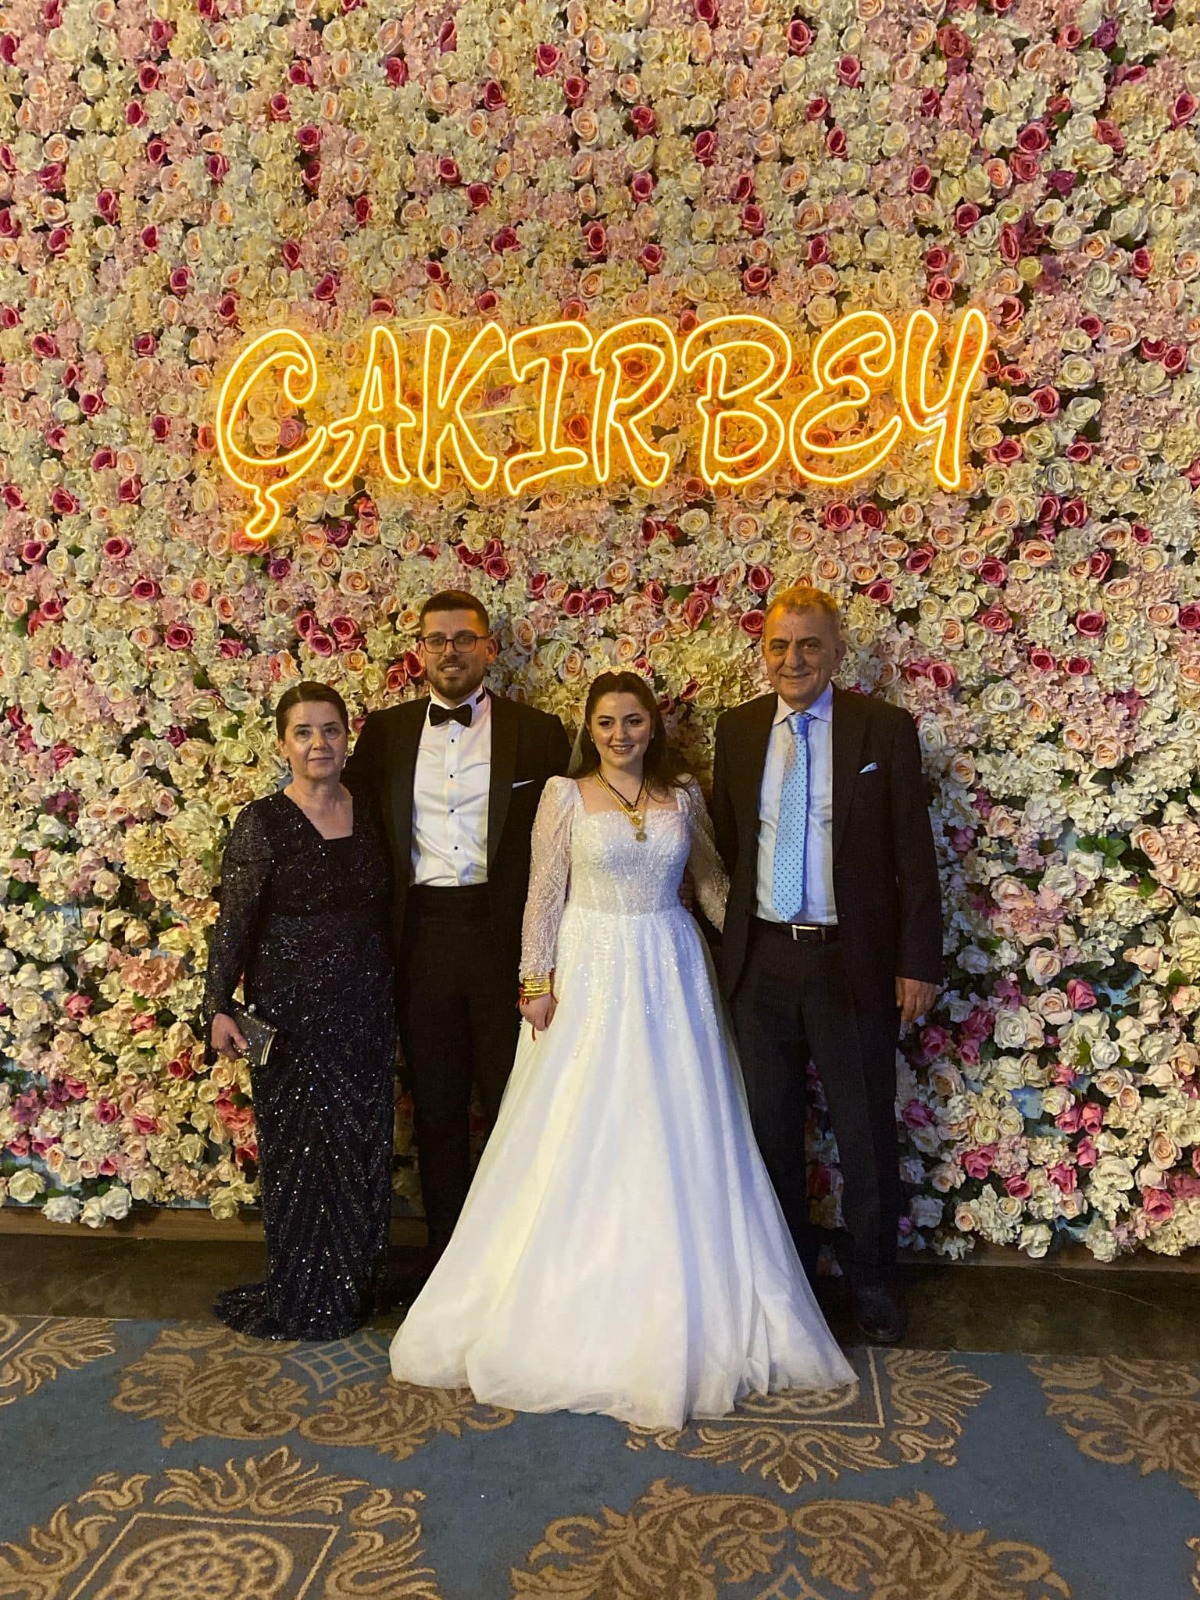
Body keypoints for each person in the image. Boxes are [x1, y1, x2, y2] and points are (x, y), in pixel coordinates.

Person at [389, 671, 855, 1428]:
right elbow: (544, 892)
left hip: (671, 968)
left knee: (676, 1126)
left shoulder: (684, 796)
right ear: (590, 728)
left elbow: (712, 885)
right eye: (606, 722)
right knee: (582, 1127)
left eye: (633, 720)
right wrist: (534, 980)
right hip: (590, 968)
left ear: (652, 725)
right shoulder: (563, 796)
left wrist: (762, 950)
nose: (619, 735)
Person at [710, 585, 943, 1344]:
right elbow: (728, 845)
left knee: (864, 1129)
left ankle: (873, 1280)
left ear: (837, 651)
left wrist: (917, 961)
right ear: (764, 652)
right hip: (762, 962)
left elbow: (914, 856)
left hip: (852, 963)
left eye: (809, 644)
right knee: (771, 1132)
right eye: (779, 645)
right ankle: (790, 1284)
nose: (794, 659)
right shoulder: (737, 730)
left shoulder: (884, 729)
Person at [343, 591, 570, 1289]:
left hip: (504, 938)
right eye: (437, 639)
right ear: (420, 650)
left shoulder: (538, 732)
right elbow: (356, 832)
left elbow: (564, 845)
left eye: (464, 638)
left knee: (513, 1103)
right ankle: (447, 1262)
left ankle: (512, 1264)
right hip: (420, 941)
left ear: (489, 648)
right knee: (437, 1108)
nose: (450, 651)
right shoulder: (385, 733)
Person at [204, 682, 396, 1339]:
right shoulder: (262, 822)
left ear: (347, 738)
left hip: (366, 1009)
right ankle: (306, 1292)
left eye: (331, 730)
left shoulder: (370, 809)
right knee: (303, 1156)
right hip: (291, 1018)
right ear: (283, 744)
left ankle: (354, 1286)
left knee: (360, 1148)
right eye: (304, 732)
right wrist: (217, 1005)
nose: (319, 743)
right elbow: (233, 923)